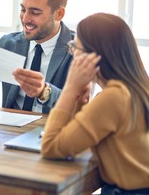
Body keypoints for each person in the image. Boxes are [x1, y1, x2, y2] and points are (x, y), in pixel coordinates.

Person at [42, 13, 149, 194]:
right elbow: (75, 139)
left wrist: (70, 89)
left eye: (76, 46)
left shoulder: (114, 97)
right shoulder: (135, 87)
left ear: (96, 56)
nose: (72, 52)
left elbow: (51, 147)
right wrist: (80, 101)